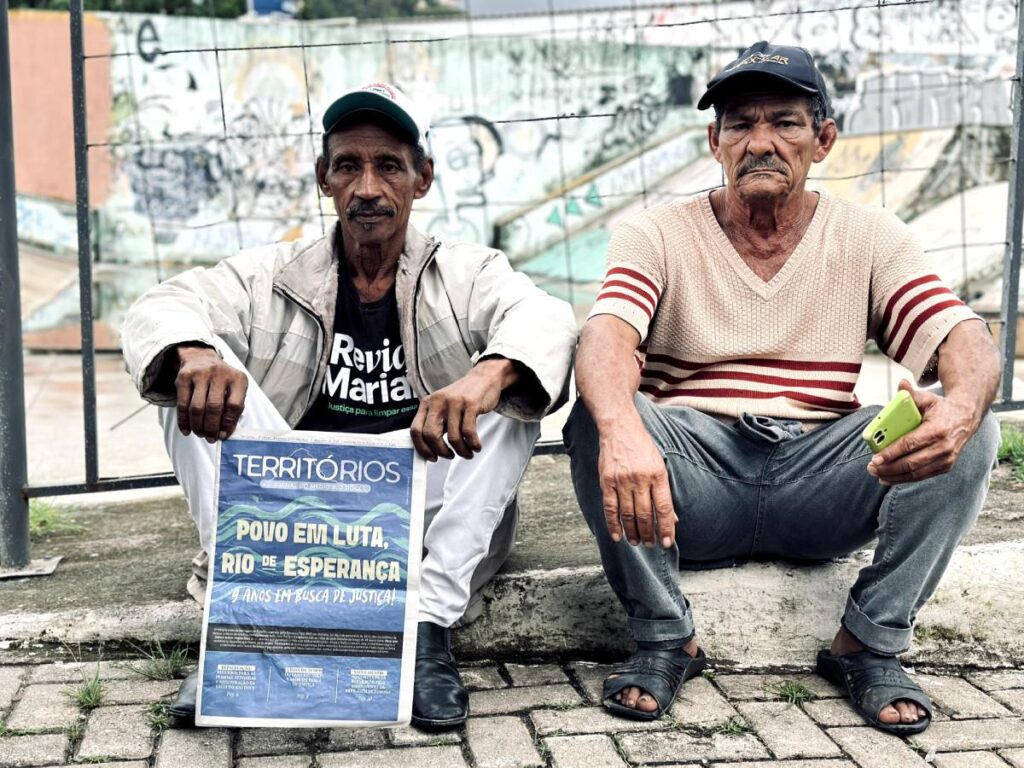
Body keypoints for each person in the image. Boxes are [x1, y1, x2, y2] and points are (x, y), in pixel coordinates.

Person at [564, 41, 1001, 735]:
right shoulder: (657, 232)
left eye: (786, 122)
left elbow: (963, 337)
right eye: (740, 124)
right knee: (595, 414)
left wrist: (958, 411)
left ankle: (869, 644)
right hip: (692, 480)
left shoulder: (869, 236)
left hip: (819, 479)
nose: (760, 142)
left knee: (972, 423)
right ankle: (665, 637)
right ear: (715, 141)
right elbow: (607, 335)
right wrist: (620, 429)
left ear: (823, 139)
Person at [123, 82, 577, 730]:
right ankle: (247, 615)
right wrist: (194, 353)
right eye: (348, 166)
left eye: (388, 165)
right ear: (324, 180)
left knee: (508, 401)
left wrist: (488, 375)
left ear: (422, 179)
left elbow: (547, 318)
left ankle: (426, 630)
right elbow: (160, 304)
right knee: (188, 382)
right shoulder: (272, 274)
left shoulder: (469, 271)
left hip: (416, 497)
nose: (367, 187)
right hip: (298, 508)